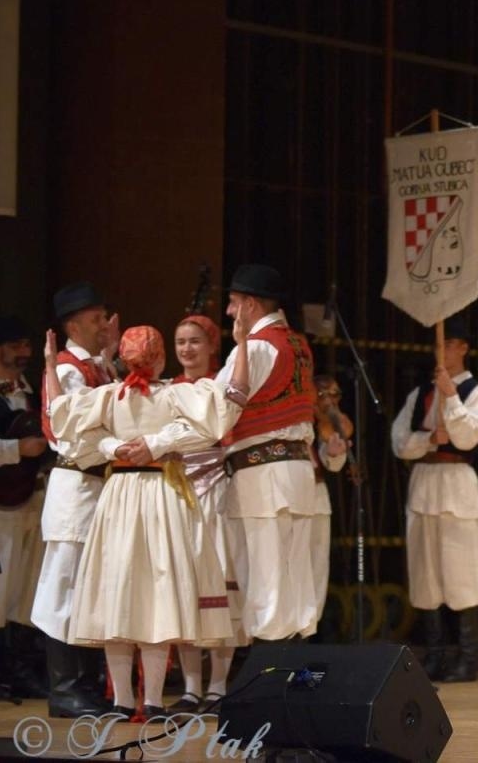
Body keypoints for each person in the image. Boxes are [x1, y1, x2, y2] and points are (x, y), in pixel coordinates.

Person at [44, 325, 242, 719]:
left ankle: (122, 700)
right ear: (161, 358)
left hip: (120, 495)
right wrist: (157, 442)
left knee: (119, 592)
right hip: (161, 493)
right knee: (157, 592)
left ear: (124, 358)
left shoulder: (109, 397)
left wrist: (51, 367)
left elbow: (60, 415)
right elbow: (225, 410)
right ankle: (151, 700)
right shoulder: (172, 394)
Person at [216, 264, 320, 642]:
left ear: (251, 305)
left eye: (233, 303)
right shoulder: (297, 344)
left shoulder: (258, 347)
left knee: (265, 578)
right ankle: (295, 667)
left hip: (264, 474)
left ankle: (270, 670)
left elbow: (218, 406)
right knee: (294, 578)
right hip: (295, 471)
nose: (229, 311)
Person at [390, 317, 478, 683]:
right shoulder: (419, 394)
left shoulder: (475, 391)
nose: (441, 351)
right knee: (425, 572)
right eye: (438, 345)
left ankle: (467, 656)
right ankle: (434, 654)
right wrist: (430, 439)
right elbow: (401, 442)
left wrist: (451, 397)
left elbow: (467, 437)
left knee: (461, 571)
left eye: (447, 344)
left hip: (456, 483)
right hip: (424, 481)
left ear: (463, 348)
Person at [35, 282, 117, 718]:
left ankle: (84, 683)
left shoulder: (95, 367)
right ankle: (64, 688)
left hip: (94, 488)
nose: (104, 324)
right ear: (73, 326)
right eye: (96, 319)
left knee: (87, 589)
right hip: (75, 489)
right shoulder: (68, 370)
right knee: (64, 586)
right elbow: (69, 431)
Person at [170, 314, 245, 709]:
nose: (187, 348)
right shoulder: (168, 389)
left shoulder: (221, 387)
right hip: (178, 494)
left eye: (195, 341)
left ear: (212, 345)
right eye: (181, 341)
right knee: (185, 588)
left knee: (219, 584)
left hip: (218, 493)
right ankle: (190, 687)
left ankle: (217, 685)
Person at [0, 315, 51, 699]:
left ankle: (19, 670)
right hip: (0, 507)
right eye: (15, 345)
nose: (24, 352)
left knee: (25, 591)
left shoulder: (30, 392)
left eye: (27, 345)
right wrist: (17, 449)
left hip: (30, 500)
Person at [309, 375, 351, 631]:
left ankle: (308, 633)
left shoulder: (327, 424)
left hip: (317, 497)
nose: (329, 401)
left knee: (317, 569)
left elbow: (332, 464)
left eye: (335, 395)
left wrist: (335, 454)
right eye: (323, 394)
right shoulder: (301, 419)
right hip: (290, 494)